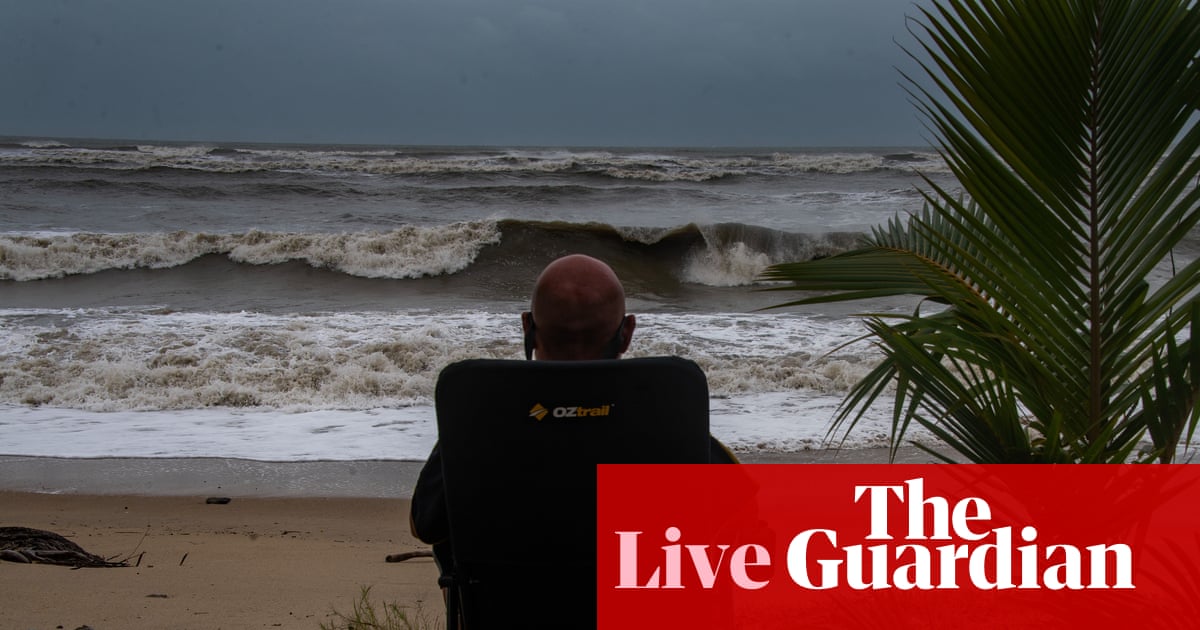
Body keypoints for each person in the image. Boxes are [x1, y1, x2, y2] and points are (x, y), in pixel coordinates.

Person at [408, 254, 737, 569]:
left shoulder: (482, 419)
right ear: (627, 333)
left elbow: (425, 523)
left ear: (527, 328)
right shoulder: (663, 422)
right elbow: (742, 508)